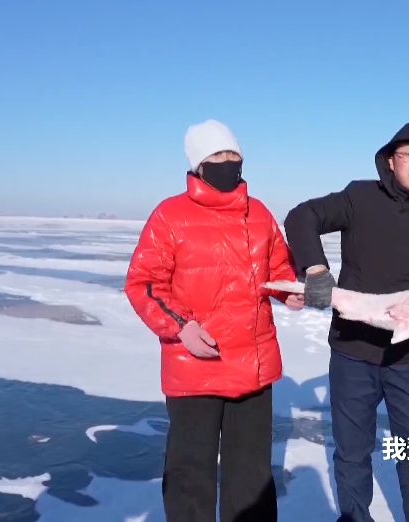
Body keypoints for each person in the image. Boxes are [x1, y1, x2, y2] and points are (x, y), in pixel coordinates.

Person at [282, 122, 409, 522]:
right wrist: (315, 268)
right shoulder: (361, 197)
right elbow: (302, 216)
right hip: (352, 350)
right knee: (352, 450)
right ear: (390, 161)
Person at [124, 119, 303, 522]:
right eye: (218, 155)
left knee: (251, 474)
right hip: (195, 366)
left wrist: (289, 291)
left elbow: (278, 269)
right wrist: (181, 326)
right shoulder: (170, 215)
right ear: (198, 164)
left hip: (253, 366)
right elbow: (144, 284)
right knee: (190, 473)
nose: (228, 162)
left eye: (233, 154)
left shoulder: (259, 214)